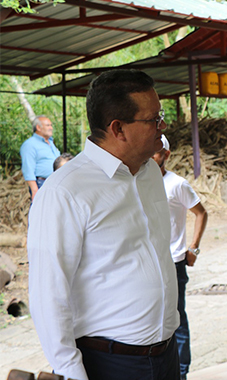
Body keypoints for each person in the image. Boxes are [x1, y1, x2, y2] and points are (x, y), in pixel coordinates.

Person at [28, 69, 180, 380]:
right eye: (154, 119)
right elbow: (48, 293)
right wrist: (72, 372)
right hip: (110, 363)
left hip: (165, 354)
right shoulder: (65, 191)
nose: (162, 127)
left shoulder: (150, 171)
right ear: (118, 128)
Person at [153, 135, 208, 380]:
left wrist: (193, 247)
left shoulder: (177, 184)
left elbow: (201, 213)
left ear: (166, 154)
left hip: (174, 262)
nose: (151, 156)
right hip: (149, 264)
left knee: (177, 319)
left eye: (156, 152)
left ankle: (182, 372)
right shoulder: (138, 183)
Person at [20, 115, 61, 201]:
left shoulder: (50, 142)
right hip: (42, 183)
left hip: (55, 182)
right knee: (42, 212)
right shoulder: (30, 144)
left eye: (51, 125)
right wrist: (34, 190)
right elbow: (28, 168)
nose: (51, 128)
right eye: (48, 125)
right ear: (38, 127)